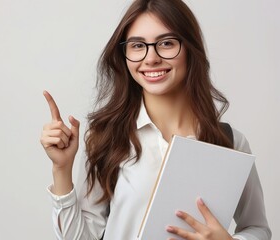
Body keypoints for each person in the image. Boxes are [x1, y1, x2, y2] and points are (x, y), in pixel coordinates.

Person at [40, 0, 272, 239]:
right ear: (125, 55)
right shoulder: (107, 137)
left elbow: (257, 228)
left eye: (167, 43)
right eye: (138, 45)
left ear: (191, 49)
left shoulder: (230, 142)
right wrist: (61, 168)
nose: (151, 58)